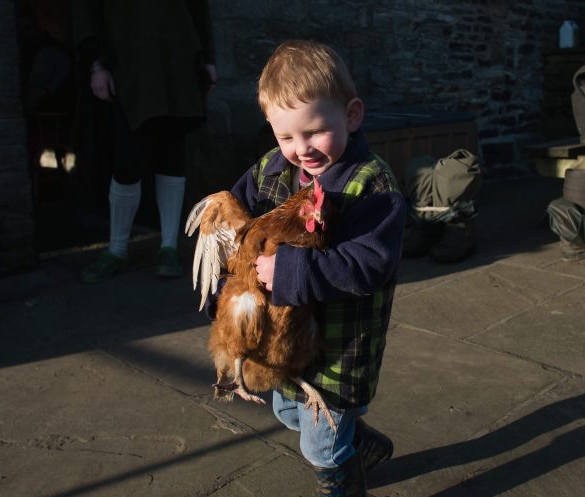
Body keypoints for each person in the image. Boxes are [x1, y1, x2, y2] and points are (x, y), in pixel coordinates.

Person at [222, 40, 405, 496]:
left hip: (341, 344)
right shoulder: (269, 171)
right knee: (287, 411)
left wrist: (290, 273)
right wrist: (226, 288)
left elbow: (368, 265)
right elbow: (237, 230)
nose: (301, 149)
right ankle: (363, 444)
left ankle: (343, 479)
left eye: (315, 131)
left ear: (353, 115)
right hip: (283, 339)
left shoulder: (373, 185)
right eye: (286, 137)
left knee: (320, 446)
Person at [72, 1, 216, 282]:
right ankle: (117, 249)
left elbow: (198, 6)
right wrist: (96, 64)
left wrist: (208, 59)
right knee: (126, 160)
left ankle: (169, 247)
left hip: (176, 62)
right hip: (126, 63)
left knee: (172, 156)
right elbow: (86, 12)